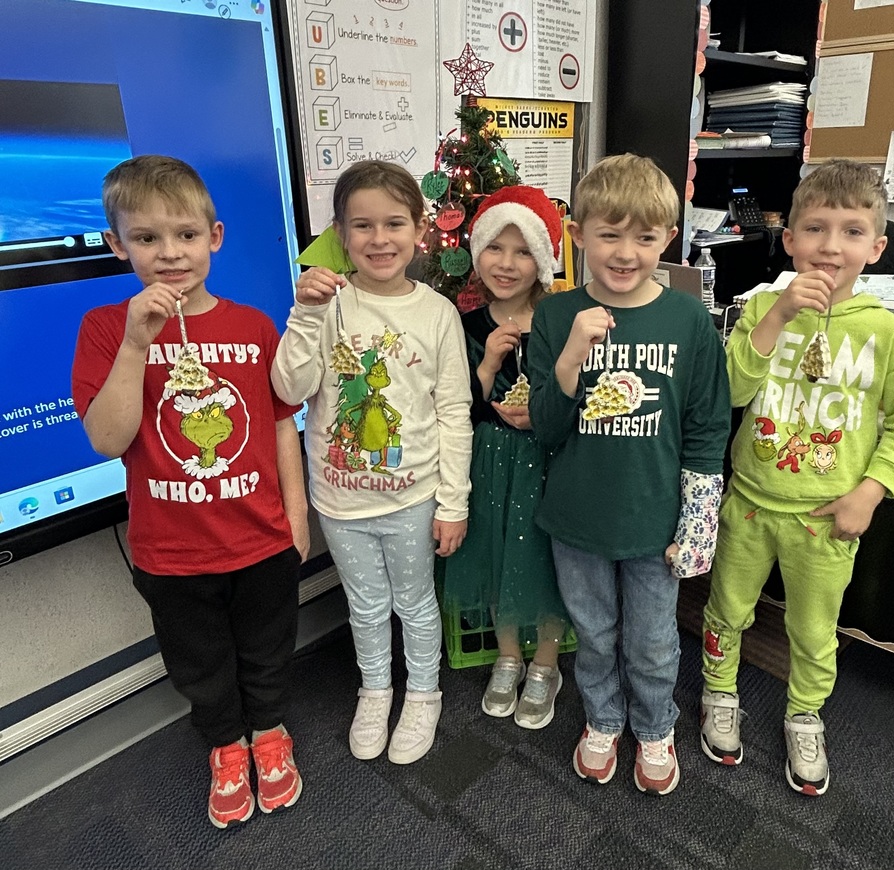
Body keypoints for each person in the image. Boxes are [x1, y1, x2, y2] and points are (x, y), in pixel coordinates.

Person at [71, 155, 308, 829]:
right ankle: (227, 747)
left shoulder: (254, 327)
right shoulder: (103, 331)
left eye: (185, 235)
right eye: (146, 239)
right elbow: (108, 439)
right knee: (200, 662)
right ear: (117, 245)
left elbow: (281, 429)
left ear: (216, 237)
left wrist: (296, 519)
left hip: (261, 538)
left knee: (268, 648)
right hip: (171, 552)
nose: (169, 253)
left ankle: (269, 733)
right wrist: (135, 347)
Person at [698, 158, 894, 796]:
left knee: (811, 628)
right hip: (750, 501)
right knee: (728, 609)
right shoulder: (760, 308)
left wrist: (871, 489)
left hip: (826, 515)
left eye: (852, 232)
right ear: (792, 239)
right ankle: (719, 692)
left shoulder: (888, 333)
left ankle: (805, 712)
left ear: (877, 248)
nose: (832, 246)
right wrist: (775, 319)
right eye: (817, 229)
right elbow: (729, 391)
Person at [528, 153, 732, 795]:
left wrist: (698, 521)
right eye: (608, 234)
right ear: (579, 232)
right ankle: (603, 718)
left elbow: (706, 425)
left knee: (650, 642)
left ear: (667, 238)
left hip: (655, 519)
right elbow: (546, 426)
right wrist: (570, 357)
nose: (624, 252)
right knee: (593, 635)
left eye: (644, 237)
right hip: (578, 517)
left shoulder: (689, 321)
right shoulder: (557, 316)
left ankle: (655, 726)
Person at [271, 159, 472, 766]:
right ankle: (376, 689)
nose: (379, 239)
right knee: (362, 603)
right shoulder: (325, 302)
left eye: (394, 224)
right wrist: (304, 313)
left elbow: (453, 412)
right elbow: (287, 388)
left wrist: (452, 502)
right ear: (341, 231)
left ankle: (424, 692)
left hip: (413, 497)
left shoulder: (436, 313)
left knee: (414, 601)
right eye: (362, 226)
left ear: (419, 231)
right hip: (340, 500)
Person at [443, 185, 572, 729]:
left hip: (543, 461)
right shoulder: (464, 324)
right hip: (488, 460)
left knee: (540, 560)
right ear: (478, 254)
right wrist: (489, 367)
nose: (507, 264)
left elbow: (574, 393)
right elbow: (456, 404)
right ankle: (507, 656)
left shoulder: (557, 319)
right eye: (496, 248)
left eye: (523, 252)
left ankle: (545, 664)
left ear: (541, 262)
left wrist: (540, 408)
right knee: (496, 557)